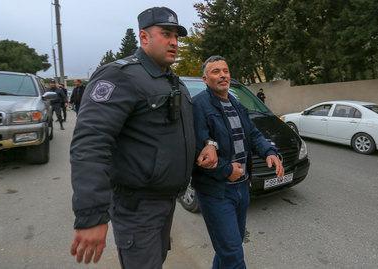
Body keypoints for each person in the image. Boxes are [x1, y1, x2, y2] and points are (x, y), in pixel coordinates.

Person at [69, 7, 218, 268]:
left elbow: (175, 134)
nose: (174, 42)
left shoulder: (174, 82)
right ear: (144, 37)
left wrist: (206, 146)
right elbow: (91, 143)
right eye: (166, 34)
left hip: (165, 202)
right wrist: (92, 216)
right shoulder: (120, 75)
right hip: (137, 207)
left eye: (177, 36)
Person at [192, 55, 284, 269]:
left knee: (229, 248)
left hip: (242, 188)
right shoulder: (198, 105)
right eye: (216, 72)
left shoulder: (235, 101)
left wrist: (268, 151)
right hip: (217, 192)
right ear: (205, 79)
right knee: (233, 254)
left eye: (225, 70)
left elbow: (252, 134)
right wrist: (225, 171)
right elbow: (198, 151)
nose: (223, 75)